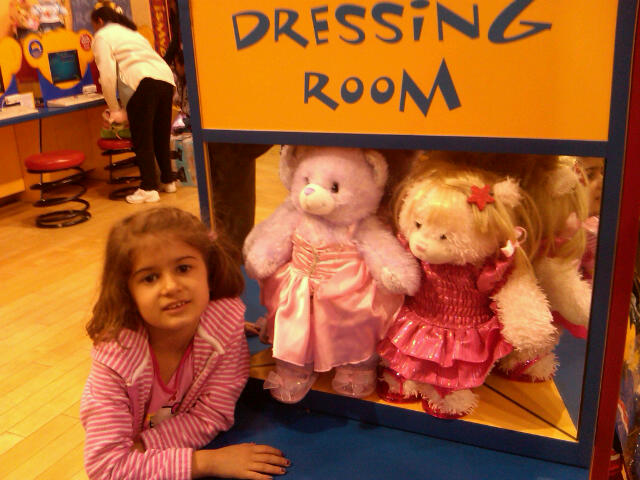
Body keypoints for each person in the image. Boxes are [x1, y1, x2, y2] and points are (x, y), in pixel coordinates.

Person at [80, 206, 290, 479]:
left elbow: (212, 412)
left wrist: (144, 446)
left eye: (183, 268)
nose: (171, 286)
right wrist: (204, 462)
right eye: (150, 277)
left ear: (208, 271)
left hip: (148, 446)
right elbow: (106, 468)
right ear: (127, 292)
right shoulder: (116, 360)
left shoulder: (224, 326)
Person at [91, 2, 177, 204]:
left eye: (93, 25)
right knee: (160, 135)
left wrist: (114, 109)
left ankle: (149, 188)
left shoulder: (102, 36)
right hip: (165, 79)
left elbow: (107, 75)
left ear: (99, 21)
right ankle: (168, 180)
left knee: (142, 138)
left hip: (141, 81)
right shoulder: (132, 33)